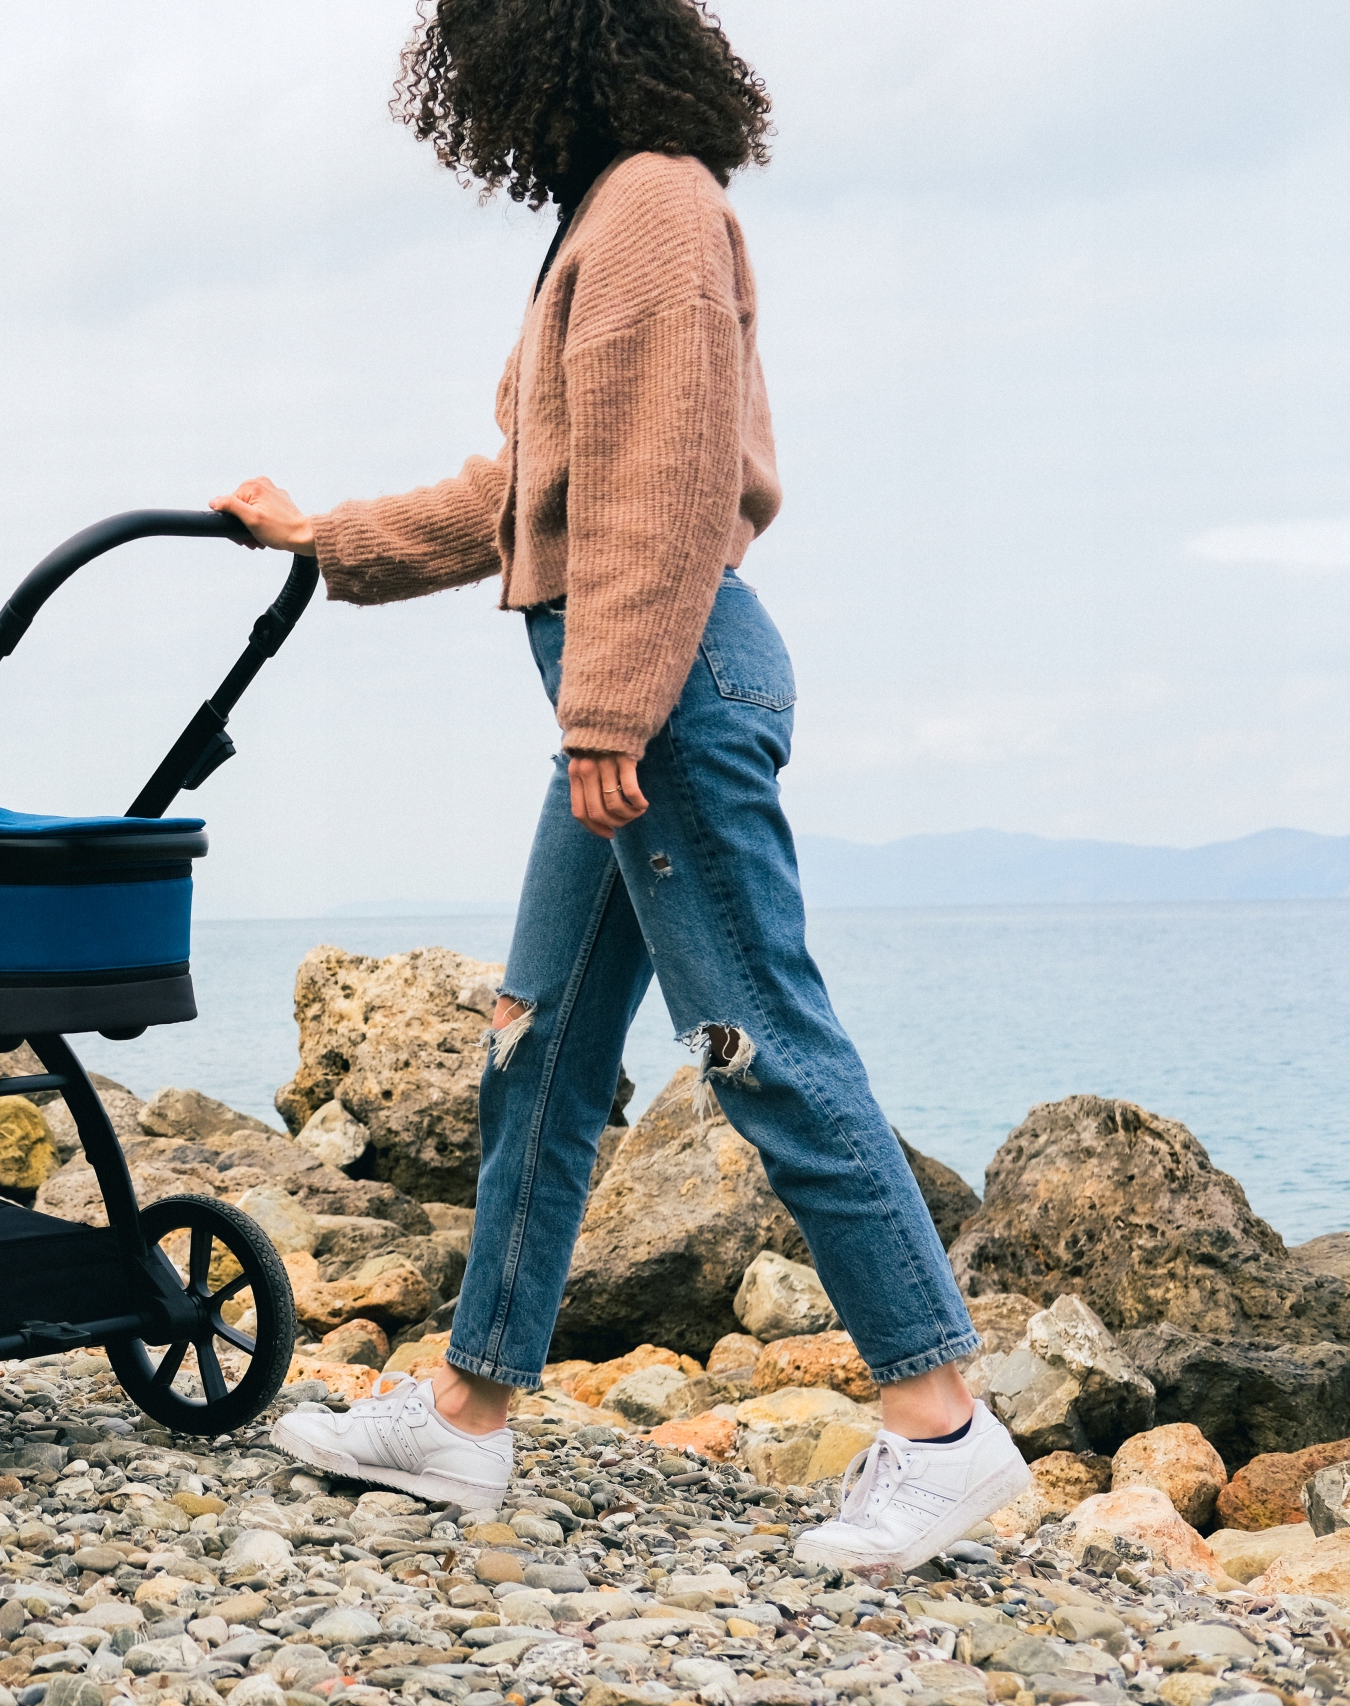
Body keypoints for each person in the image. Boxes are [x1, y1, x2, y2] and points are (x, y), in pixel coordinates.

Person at [214, 0, 1029, 1573]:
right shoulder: (609, 216)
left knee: (761, 1039)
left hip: (663, 696)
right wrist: (327, 540)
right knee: (536, 1051)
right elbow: (525, 490)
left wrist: (607, 716)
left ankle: (941, 1427)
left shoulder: (654, 205)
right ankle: (466, 1412)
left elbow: (667, 484)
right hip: (639, 695)